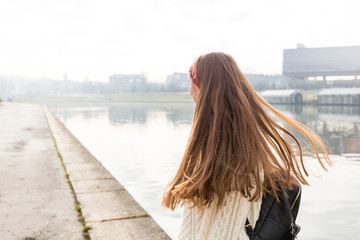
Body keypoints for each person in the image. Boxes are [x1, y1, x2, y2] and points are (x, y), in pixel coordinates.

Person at [161, 52, 331, 240]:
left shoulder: (207, 143)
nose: (190, 91)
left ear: (202, 87)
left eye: (190, 84)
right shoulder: (249, 136)